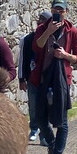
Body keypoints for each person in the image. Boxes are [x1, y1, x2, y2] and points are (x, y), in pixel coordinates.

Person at [30, 0, 77, 154]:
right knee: (40, 119)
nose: (58, 13)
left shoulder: (72, 32)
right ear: (51, 10)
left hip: (61, 81)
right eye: (55, 10)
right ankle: (52, 145)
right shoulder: (42, 28)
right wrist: (49, 31)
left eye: (61, 11)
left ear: (66, 12)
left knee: (62, 121)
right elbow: (37, 47)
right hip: (42, 78)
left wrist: (65, 55)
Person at [18, 11, 51, 142]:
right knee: (33, 105)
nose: (39, 25)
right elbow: (22, 60)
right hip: (32, 77)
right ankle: (34, 128)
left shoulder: (52, 38)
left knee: (46, 105)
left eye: (43, 23)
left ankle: (45, 133)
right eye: (38, 22)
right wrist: (22, 78)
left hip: (48, 78)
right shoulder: (27, 39)